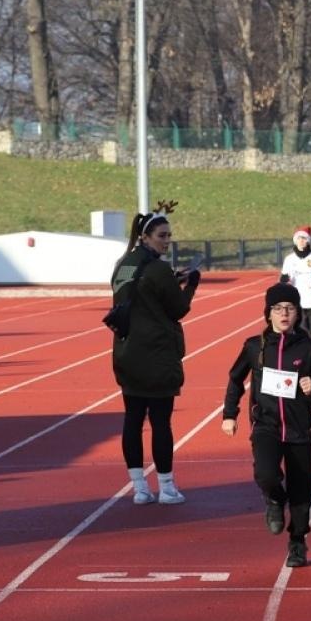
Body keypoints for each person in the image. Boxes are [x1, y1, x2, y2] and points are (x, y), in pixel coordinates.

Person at [222, 283, 311, 568]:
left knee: (302, 492)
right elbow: (235, 379)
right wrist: (229, 413)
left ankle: (297, 541)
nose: (284, 313)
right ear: (268, 312)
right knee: (266, 473)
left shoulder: (308, 347)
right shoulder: (254, 346)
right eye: (278, 308)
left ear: (297, 313)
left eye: (290, 308)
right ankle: (274, 499)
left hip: (299, 429)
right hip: (266, 425)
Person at [110, 206, 201, 504]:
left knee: (133, 420)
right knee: (161, 422)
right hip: (157, 355)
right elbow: (177, 309)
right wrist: (191, 286)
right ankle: (167, 488)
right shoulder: (160, 269)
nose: (167, 241)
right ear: (146, 237)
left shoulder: (123, 264)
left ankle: (139, 488)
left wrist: (168, 282)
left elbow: (138, 294)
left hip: (126, 352)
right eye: (162, 236)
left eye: (169, 235)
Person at [279, 225, 311, 339]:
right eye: (299, 238)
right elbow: (282, 278)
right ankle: (303, 355)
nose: (301, 241)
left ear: (308, 241)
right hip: (297, 302)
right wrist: (284, 279)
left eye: (304, 238)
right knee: (301, 332)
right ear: (295, 240)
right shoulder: (289, 259)